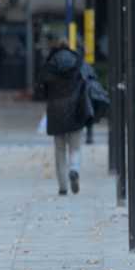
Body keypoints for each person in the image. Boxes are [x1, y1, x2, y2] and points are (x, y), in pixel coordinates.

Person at [37, 36, 92, 196]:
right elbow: (87, 81)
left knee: (59, 150)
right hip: (75, 109)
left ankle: (63, 186)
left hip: (55, 110)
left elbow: (41, 87)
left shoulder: (50, 64)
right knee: (75, 147)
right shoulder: (78, 61)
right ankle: (74, 169)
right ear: (69, 47)